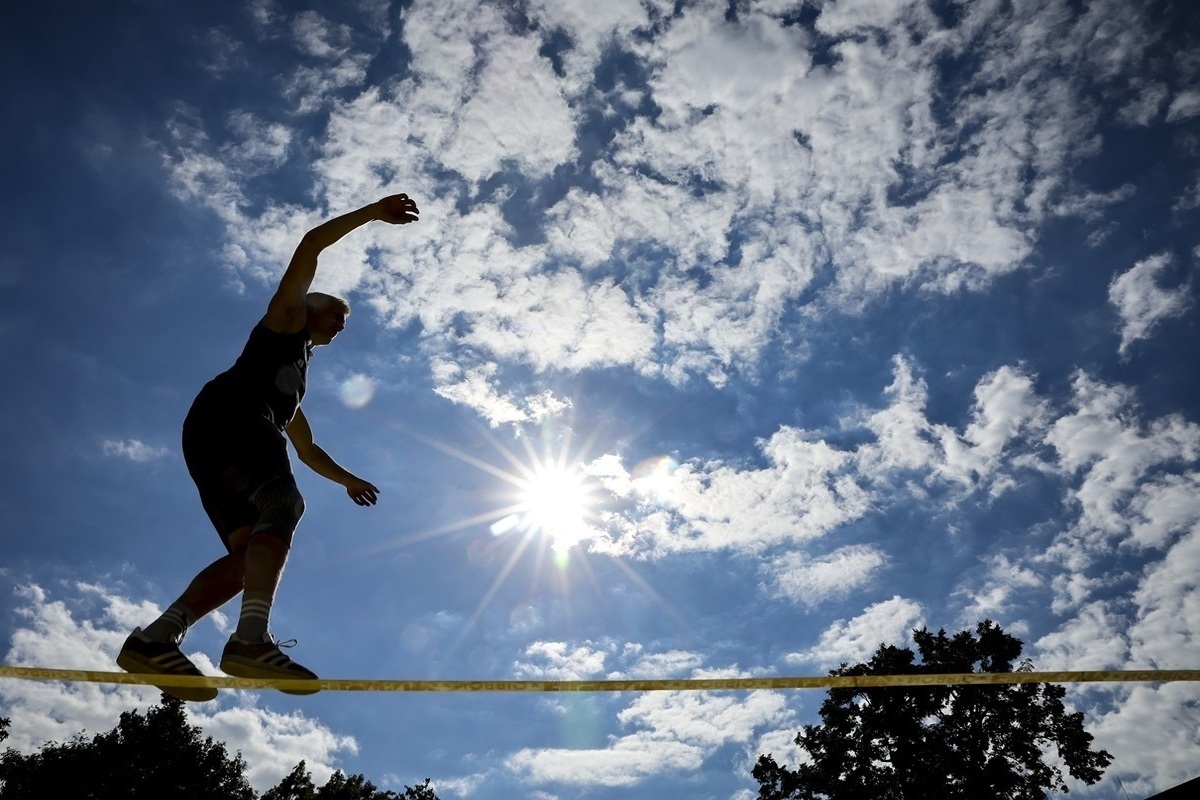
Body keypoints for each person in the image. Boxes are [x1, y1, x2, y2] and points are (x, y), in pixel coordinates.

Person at [117, 193, 420, 700]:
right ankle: (250, 640)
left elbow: (306, 449)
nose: (341, 326)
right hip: (232, 419)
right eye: (336, 316)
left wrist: (349, 481)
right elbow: (310, 246)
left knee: (247, 559)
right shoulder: (284, 320)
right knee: (284, 503)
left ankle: (155, 639)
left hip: (219, 440)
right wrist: (371, 214)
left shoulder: (288, 383)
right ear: (309, 308)